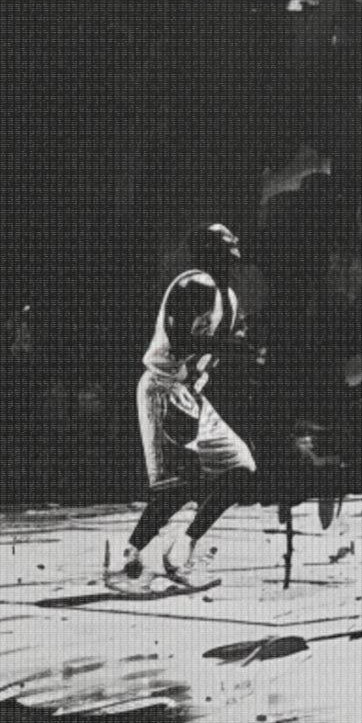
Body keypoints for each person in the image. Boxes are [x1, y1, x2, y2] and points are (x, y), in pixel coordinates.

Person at [120, 223, 263, 585]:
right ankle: (131, 556)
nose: (234, 253)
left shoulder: (229, 298)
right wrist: (230, 346)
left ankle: (182, 549)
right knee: (178, 484)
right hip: (164, 387)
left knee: (241, 466)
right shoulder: (193, 284)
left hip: (192, 394)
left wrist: (247, 348)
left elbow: (222, 349)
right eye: (227, 247)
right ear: (211, 253)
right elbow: (181, 339)